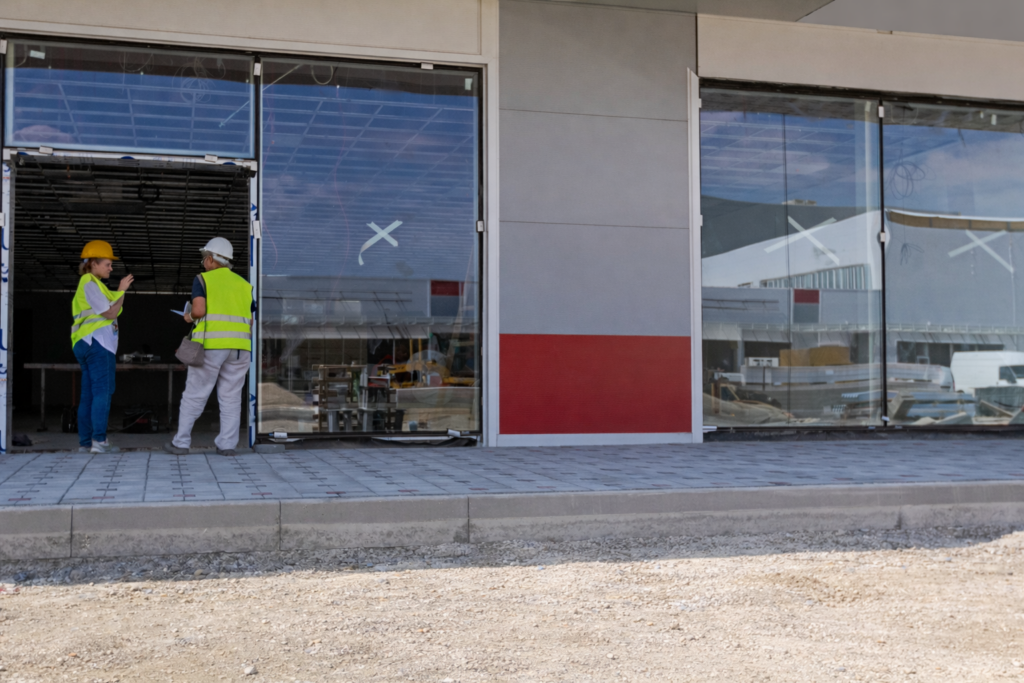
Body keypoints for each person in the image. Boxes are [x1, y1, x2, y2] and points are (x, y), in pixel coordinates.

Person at [165, 237, 252, 456]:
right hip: (241, 347)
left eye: (205, 258)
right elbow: (250, 319)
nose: (203, 262)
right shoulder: (244, 285)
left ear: (211, 260)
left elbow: (199, 311)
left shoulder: (203, 279)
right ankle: (227, 445)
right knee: (231, 397)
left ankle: (181, 443)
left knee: (195, 394)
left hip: (212, 345)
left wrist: (189, 317)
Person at [72, 240, 134, 454]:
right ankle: (99, 441)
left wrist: (118, 294)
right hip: (98, 345)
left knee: (88, 395)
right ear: (93, 263)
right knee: (102, 392)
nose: (111, 268)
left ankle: (85, 443)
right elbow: (110, 313)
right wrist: (122, 290)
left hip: (86, 344)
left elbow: (109, 309)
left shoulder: (94, 284)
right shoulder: (89, 282)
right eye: (107, 264)